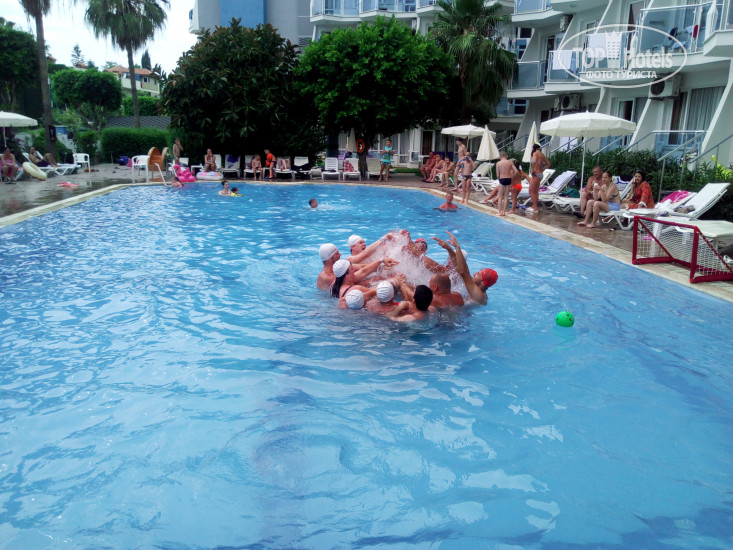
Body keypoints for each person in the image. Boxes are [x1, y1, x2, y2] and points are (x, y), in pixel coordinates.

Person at [433, 231, 497, 305]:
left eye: (478, 274)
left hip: (451, 312)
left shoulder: (480, 296)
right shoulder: (475, 285)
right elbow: (459, 269)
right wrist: (449, 249)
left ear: (483, 282)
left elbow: (463, 272)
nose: (474, 274)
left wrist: (457, 246)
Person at [494, 151, 517, 216]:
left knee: (500, 196)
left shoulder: (498, 163)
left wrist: (499, 180)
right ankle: (504, 212)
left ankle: (499, 212)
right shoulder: (510, 162)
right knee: (506, 196)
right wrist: (511, 177)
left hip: (502, 179)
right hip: (508, 179)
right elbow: (516, 171)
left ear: (500, 156)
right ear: (506, 156)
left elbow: (497, 174)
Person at [529, 144, 550, 213]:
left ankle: (535, 207)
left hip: (536, 174)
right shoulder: (542, 154)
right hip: (540, 174)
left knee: (531, 191)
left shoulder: (535, 153)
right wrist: (542, 170)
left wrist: (532, 170)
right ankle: (534, 206)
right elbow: (548, 164)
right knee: (535, 191)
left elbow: (534, 161)